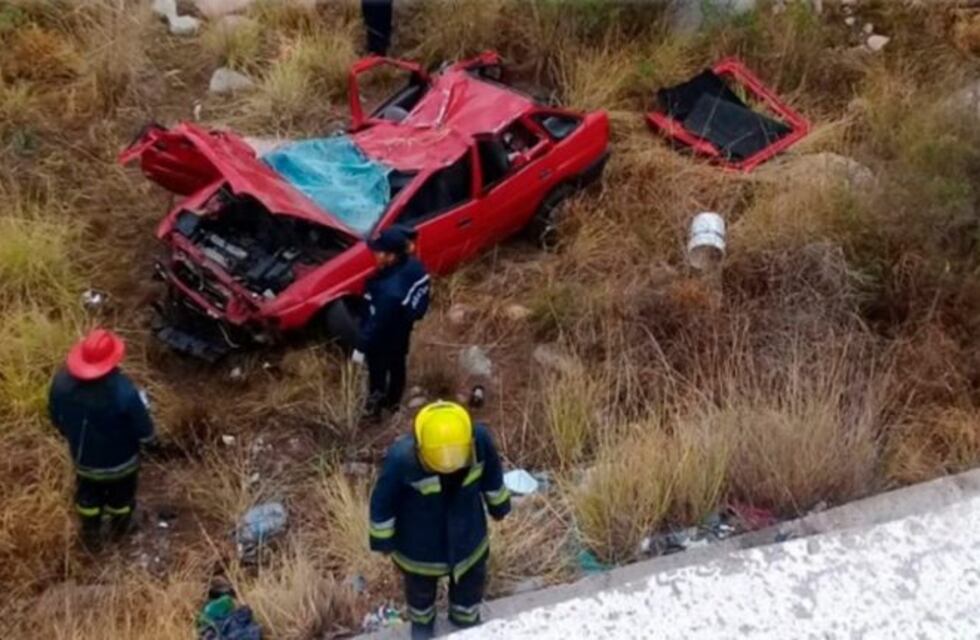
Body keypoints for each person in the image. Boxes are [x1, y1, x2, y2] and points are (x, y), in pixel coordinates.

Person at [368, 402, 511, 639]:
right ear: (420, 447)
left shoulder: (480, 442)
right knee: (419, 591)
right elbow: (383, 501)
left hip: (468, 538)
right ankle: (422, 624)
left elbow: (493, 477)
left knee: (470, 584)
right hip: (420, 547)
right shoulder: (402, 458)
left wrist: (499, 507)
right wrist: (383, 540)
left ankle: (466, 620)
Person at [48, 329, 156, 550]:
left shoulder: (60, 384)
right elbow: (144, 429)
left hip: (84, 461)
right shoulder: (123, 390)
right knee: (122, 499)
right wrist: (151, 442)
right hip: (122, 463)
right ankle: (119, 530)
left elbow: (55, 418)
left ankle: (91, 534)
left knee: (87, 497)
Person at [353, 225, 430, 419]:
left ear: (391, 256)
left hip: (384, 334)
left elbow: (376, 323)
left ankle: (374, 410)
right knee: (398, 364)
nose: (375, 254)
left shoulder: (388, 291)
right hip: (402, 327)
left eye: (379, 251)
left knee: (377, 373)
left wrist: (361, 346)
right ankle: (393, 402)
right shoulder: (414, 266)